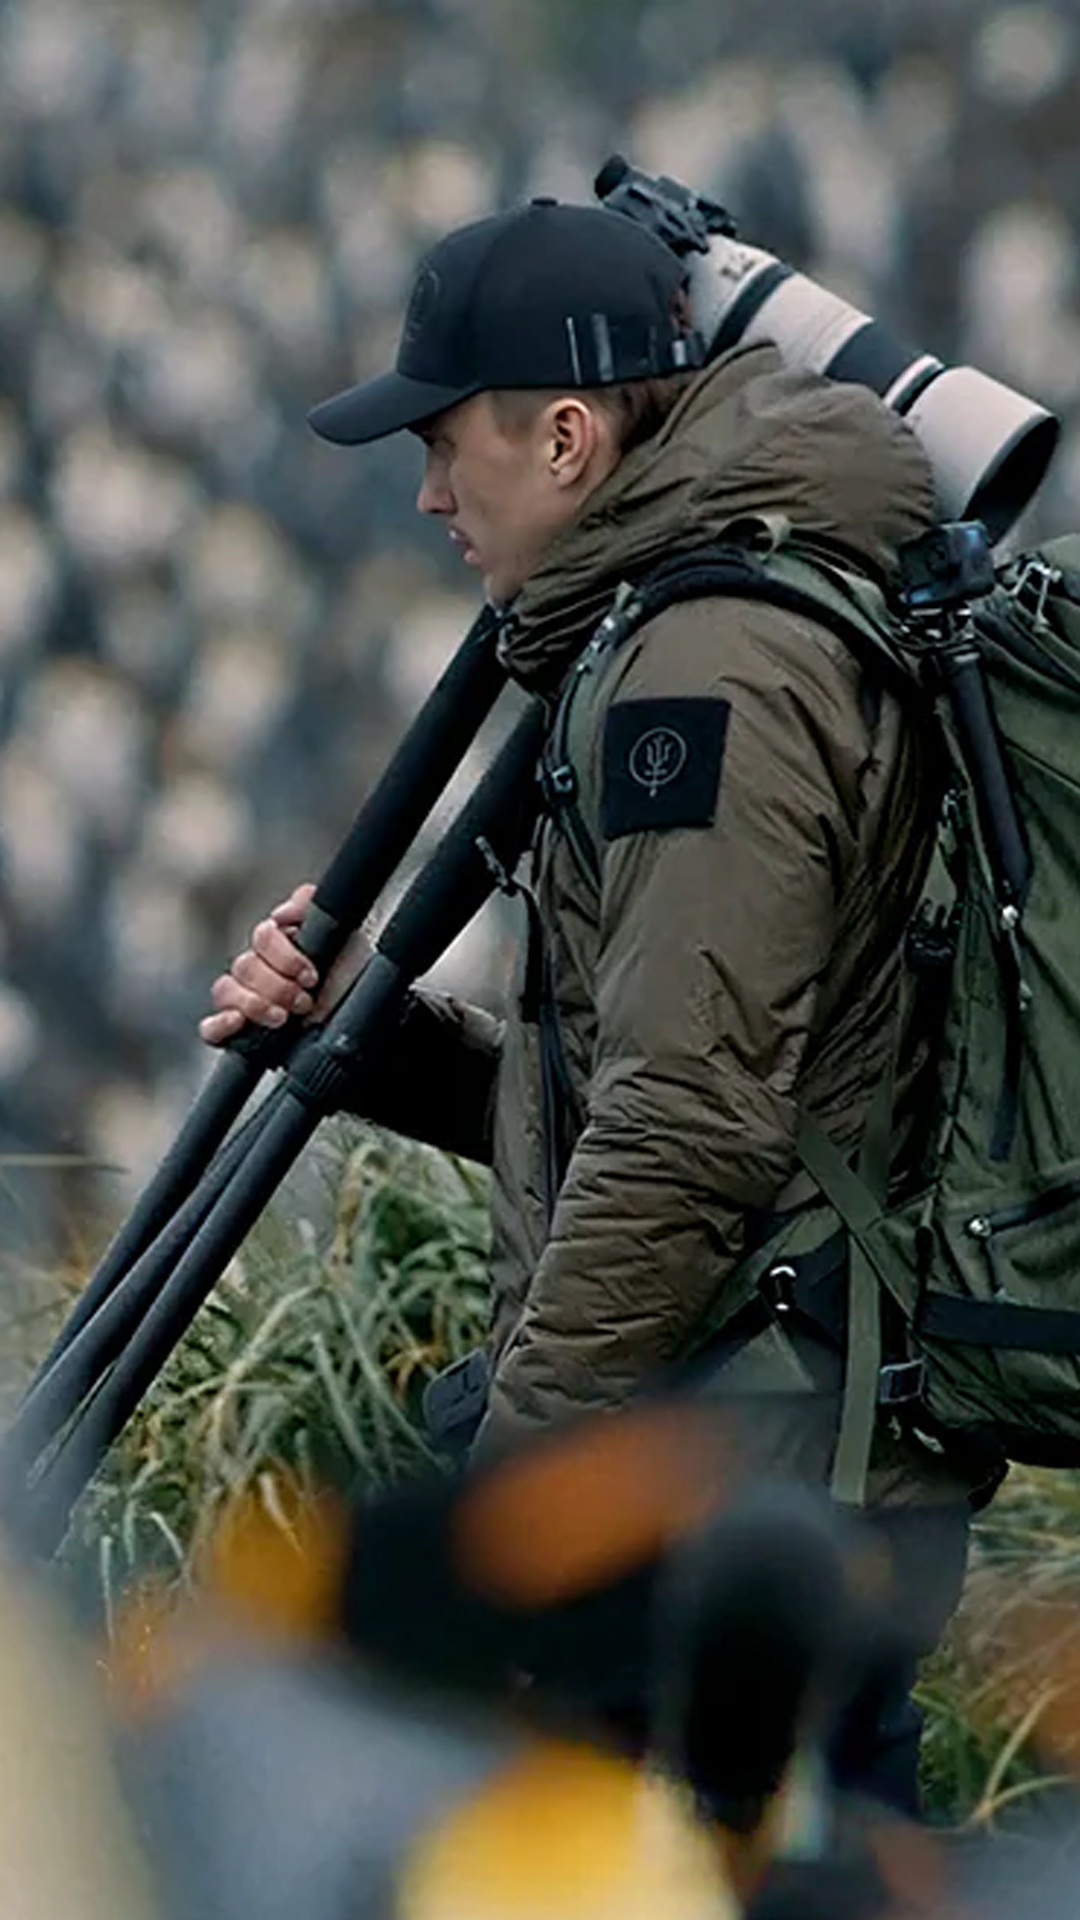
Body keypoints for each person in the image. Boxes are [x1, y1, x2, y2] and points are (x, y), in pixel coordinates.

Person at [200, 197, 993, 1809]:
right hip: (751, 1461)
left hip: (735, 1502)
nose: (426, 494)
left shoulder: (707, 668)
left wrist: (509, 1509)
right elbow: (689, 1088)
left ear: (566, 437)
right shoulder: (695, 625)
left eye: (447, 449)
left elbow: (691, 1128)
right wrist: (384, 1043)